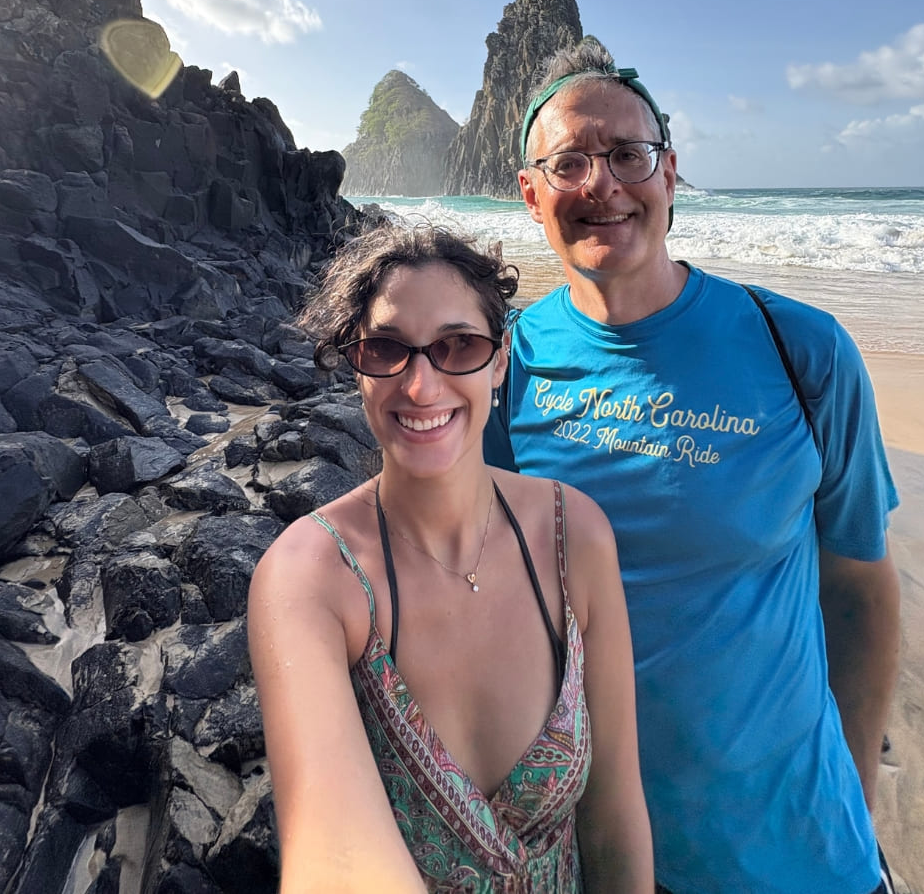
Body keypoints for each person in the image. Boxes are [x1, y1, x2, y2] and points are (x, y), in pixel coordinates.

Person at [485, 41, 901, 894]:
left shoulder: (804, 350)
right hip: (597, 857)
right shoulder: (500, 370)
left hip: (798, 850)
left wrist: (855, 790)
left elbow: (861, 586)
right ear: (532, 194)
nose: (602, 183)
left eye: (627, 155)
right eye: (569, 162)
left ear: (670, 172)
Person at [248, 224, 654, 893]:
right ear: (357, 363)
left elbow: (613, 814)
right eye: (386, 348)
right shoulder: (311, 578)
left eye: (457, 345)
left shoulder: (573, 536)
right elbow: (333, 856)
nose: (421, 383)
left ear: (498, 360)